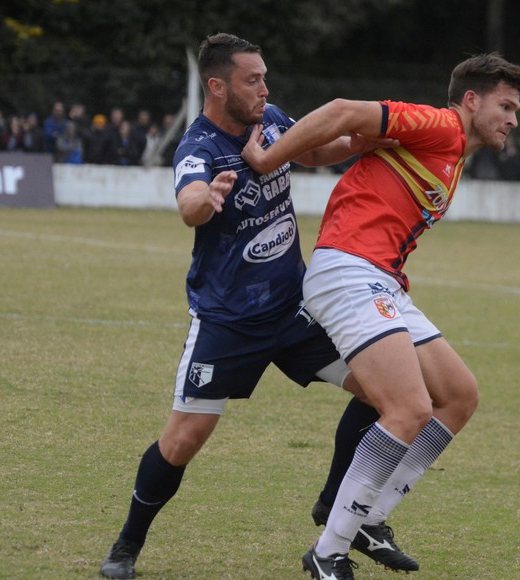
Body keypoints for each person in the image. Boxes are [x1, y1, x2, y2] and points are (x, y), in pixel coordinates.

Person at [99, 32, 399, 580]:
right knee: (182, 441)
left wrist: (365, 143)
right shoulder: (198, 148)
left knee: (390, 397)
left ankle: (333, 505)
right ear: (217, 86)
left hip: (295, 312)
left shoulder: (271, 118)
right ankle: (125, 547)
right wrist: (205, 198)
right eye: (252, 79)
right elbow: (189, 202)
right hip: (228, 321)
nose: (265, 87)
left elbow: (312, 152)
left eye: (264, 77)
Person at [242, 52, 520, 579]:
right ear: (471, 100)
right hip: (349, 271)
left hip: (382, 282)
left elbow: (341, 143)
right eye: (506, 105)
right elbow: (343, 110)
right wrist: (267, 160)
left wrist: (298, 153)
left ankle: (371, 520)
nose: (514, 119)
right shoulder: (441, 125)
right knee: (407, 408)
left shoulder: (452, 150)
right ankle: (328, 551)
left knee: (459, 396)